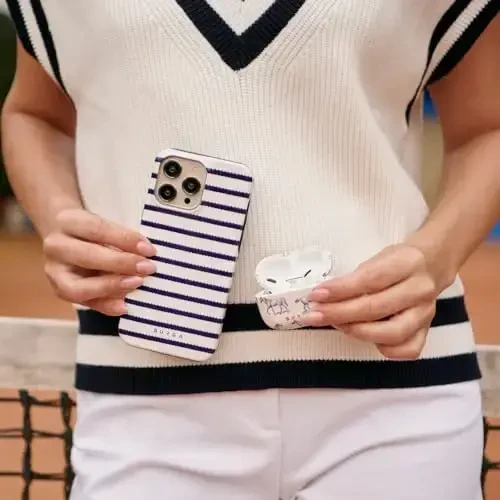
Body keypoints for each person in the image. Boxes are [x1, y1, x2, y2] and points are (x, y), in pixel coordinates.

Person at [2, 1, 499, 498]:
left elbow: (488, 127)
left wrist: (435, 257)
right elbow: (35, 114)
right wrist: (57, 215)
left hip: (398, 386)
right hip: (143, 390)